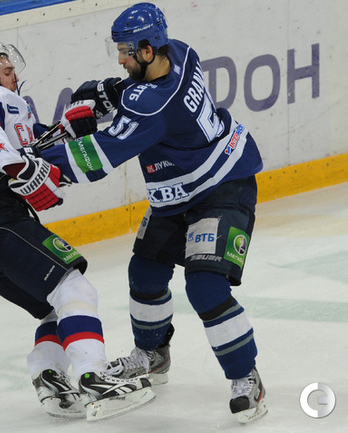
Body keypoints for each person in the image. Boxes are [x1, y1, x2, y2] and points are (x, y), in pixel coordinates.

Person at [40, 3, 267, 424]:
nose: (120, 59)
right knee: (144, 273)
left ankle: (246, 377)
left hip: (222, 186)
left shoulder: (153, 106)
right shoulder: (179, 51)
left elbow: (99, 155)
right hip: (176, 191)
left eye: (125, 52)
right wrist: (108, 92)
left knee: (205, 287)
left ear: (147, 50)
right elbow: (135, 91)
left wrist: (34, 164)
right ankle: (152, 355)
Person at [0, 39, 155, 421]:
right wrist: (21, 168)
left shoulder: (12, 112)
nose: (14, 77)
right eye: (7, 70)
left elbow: (32, 149)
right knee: (75, 288)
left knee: (52, 308)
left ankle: (51, 379)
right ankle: (95, 378)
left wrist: (69, 127)